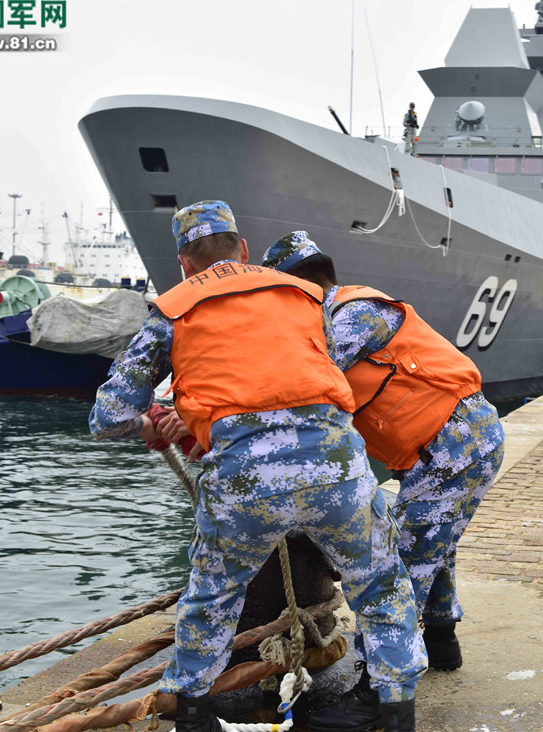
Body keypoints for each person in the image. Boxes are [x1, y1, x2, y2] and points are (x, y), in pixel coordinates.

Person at [89, 202, 425, 732]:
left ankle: (194, 716)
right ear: (243, 250)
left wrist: (155, 425)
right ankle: (395, 712)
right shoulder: (306, 295)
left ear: (183, 263)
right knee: (381, 586)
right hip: (336, 470)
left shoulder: (172, 309)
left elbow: (108, 417)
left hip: (246, 483)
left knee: (212, 597)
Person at [262, 230, 506, 675]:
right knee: (432, 544)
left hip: (455, 443)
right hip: (448, 445)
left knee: (400, 565)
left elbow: (306, 381)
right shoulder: (328, 318)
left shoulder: (352, 314)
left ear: (296, 288)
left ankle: (376, 686)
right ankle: (441, 641)